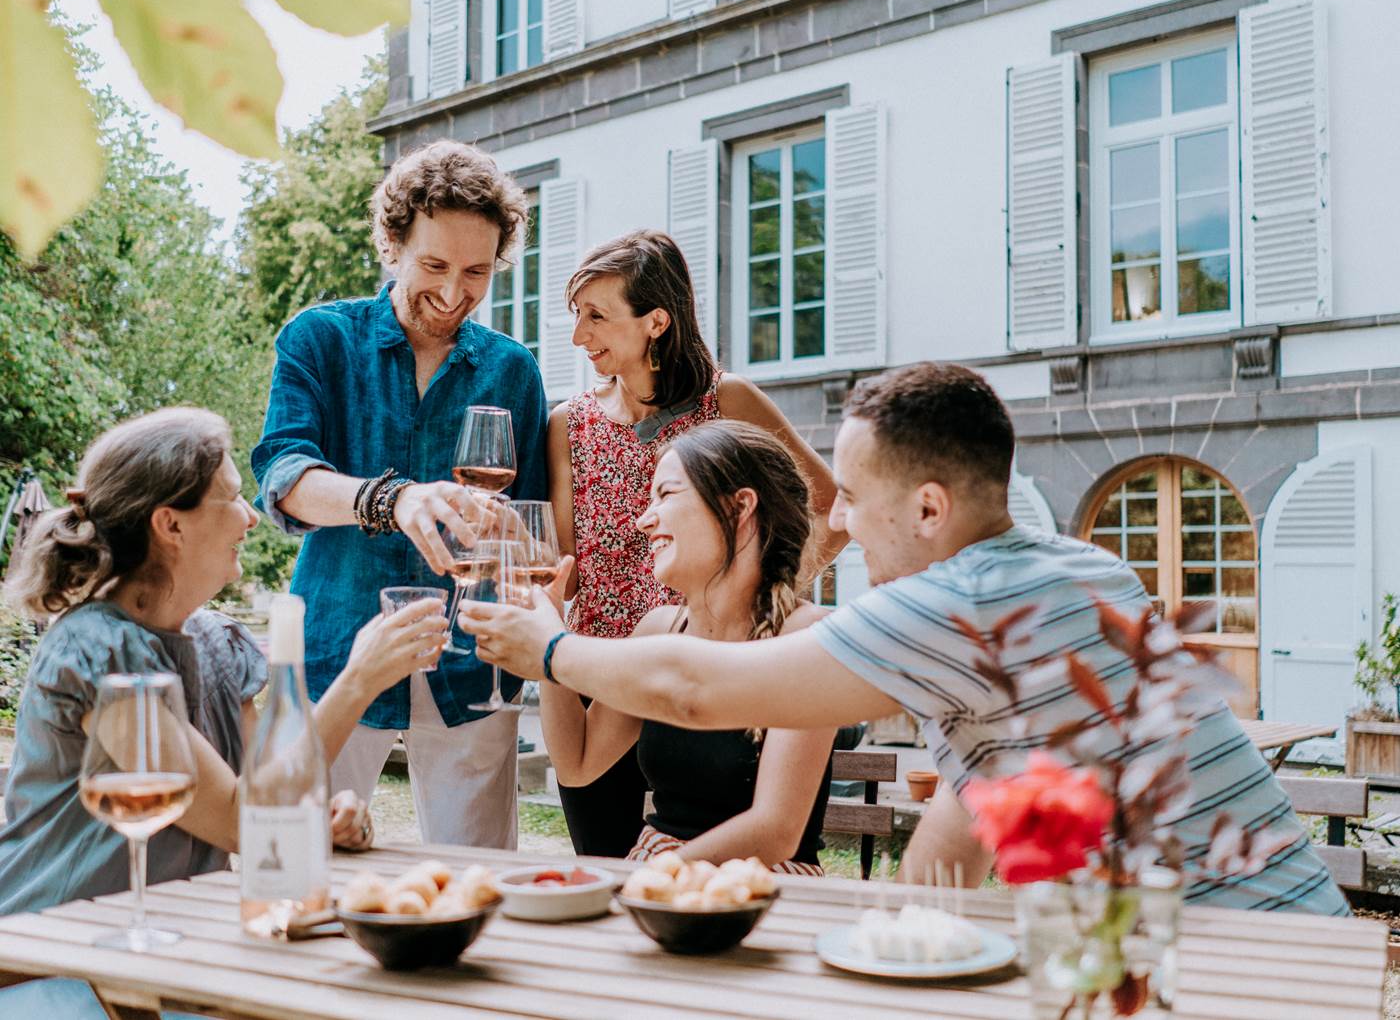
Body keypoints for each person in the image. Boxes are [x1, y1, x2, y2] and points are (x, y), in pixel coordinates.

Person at [464, 363, 1348, 915]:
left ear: (929, 508)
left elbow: (698, 689)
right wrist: (894, 941)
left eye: (851, 494)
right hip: (1274, 935)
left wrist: (548, 647)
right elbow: (962, 825)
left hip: (1230, 958)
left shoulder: (955, 602)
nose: (836, 516)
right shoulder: (1079, 570)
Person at [0, 408, 447, 916]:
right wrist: (361, 679)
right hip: (50, 945)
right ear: (170, 524)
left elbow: (271, 795)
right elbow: (242, 822)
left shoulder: (217, 642)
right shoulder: (98, 652)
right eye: (233, 496)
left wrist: (326, 819)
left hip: (172, 939)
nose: (252, 516)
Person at [251, 140, 548, 849]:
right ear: (392, 245)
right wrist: (396, 501)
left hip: (472, 670)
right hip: (338, 652)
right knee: (297, 854)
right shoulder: (320, 339)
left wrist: (508, 539)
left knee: (479, 884)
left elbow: (534, 532)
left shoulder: (514, 370)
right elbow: (286, 477)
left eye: (476, 272)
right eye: (435, 266)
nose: (453, 295)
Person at [549, 228, 845, 857]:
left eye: (596, 316)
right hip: (606, 687)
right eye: (577, 316)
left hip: (717, 672)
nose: (579, 337)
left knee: (705, 861)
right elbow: (563, 567)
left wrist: (758, 602)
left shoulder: (726, 400)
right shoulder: (568, 423)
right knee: (611, 876)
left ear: (656, 320)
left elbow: (830, 508)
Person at [545, 420, 832, 872]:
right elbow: (577, 763)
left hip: (764, 883)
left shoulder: (807, 638)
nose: (644, 518)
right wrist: (550, 641)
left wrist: (652, 878)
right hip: (658, 869)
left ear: (740, 507)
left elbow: (775, 831)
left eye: (667, 495)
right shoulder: (659, 630)